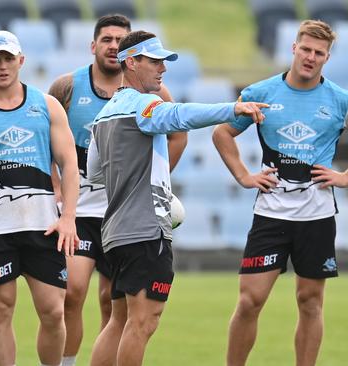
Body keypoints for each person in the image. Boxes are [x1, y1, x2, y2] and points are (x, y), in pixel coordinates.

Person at [212, 19, 348, 366]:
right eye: (305, 49)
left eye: (319, 53)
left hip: (317, 215)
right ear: (294, 49)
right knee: (250, 301)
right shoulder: (260, 94)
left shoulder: (343, 100)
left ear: (327, 58)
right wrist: (244, 175)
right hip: (270, 213)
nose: (310, 57)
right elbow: (222, 134)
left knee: (310, 301)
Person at [86, 30, 268, 366]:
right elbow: (179, 116)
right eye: (154, 61)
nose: (162, 69)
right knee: (142, 323)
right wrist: (232, 108)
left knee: (118, 321)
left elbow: (94, 172)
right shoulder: (145, 106)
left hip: (114, 232)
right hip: (144, 230)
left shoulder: (102, 115)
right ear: (131, 62)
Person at [46, 14, 186, 366]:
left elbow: (178, 135)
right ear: (94, 46)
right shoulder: (67, 87)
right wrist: (58, 190)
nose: (113, 45)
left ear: (129, 54)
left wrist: (150, 182)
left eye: (119, 40)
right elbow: (45, 143)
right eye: (106, 39)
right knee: (74, 291)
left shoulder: (155, 93)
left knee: (112, 302)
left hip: (122, 211)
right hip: (82, 210)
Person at [0, 30, 80, 366]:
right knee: (1, 309)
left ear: (21, 60)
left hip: (45, 226)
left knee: (53, 311)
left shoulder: (46, 106)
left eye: (9, 58)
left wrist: (68, 219)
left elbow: (69, 163)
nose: (3, 66)